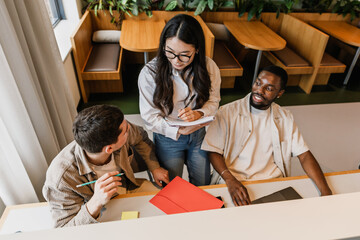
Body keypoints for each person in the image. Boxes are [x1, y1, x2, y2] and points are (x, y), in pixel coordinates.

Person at [201, 65, 332, 206]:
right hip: (235, 182)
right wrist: (230, 180)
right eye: (258, 83)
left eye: (269, 88)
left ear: (280, 93)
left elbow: (304, 155)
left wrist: (326, 193)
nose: (259, 90)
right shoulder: (227, 111)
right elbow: (212, 150)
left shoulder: (285, 117)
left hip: (272, 183)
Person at [43, 105, 169, 227]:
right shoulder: (61, 178)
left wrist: (154, 167)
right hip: (98, 212)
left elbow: (140, 137)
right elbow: (63, 229)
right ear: (109, 148)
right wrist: (96, 201)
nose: (130, 128)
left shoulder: (120, 130)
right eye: (126, 131)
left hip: (128, 187)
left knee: (167, 201)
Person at [138, 14, 221, 186]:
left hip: (198, 135)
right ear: (163, 46)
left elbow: (214, 100)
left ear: (197, 49)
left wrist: (199, 114)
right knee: (172, 187)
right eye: (170, 52)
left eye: (184, 55)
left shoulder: (209, 67)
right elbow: (149, 117)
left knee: (203, 183)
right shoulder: (149, 73)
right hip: (167, 138)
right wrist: (176, 131)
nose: (176, 61)